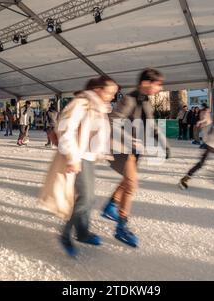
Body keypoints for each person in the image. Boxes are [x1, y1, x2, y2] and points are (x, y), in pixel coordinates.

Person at [39, 76, 118, 257]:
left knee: (88, 198)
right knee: (85, 198)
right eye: (110, 92)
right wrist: (72, 158)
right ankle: (66, 235)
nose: (112, 96)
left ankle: (83, 233)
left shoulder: (98, 107)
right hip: (77, 157)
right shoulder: (80, 103)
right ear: (98, 89)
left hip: (88, 158)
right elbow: (66, 129)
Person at [102, 68, 170, 248]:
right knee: (131, 184)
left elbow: (152, 125)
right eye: (158, 85)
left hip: (133, 150)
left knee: (127, 180)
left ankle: (110, 207)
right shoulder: (129, 99)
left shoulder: (145, 102)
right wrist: (129, 139)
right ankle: (121, 227)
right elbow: (111, 121)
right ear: (146, 83)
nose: (160, 89)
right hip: (121, 149)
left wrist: (163, 142)